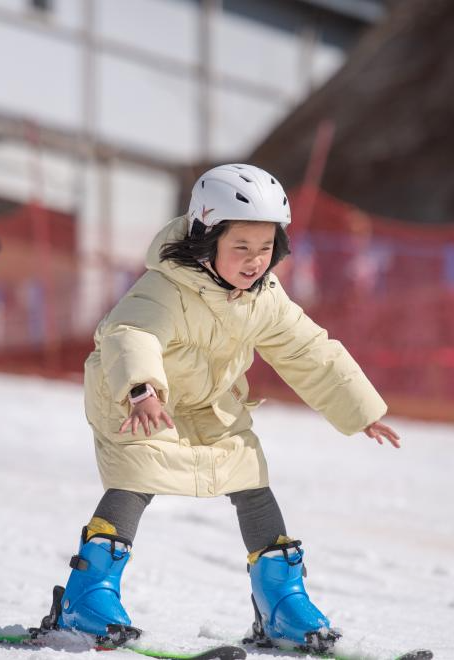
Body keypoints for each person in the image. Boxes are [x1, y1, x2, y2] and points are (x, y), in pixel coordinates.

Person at [37, 164, 400, 651]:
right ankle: (88, 595)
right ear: (206, 240)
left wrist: (360, 408)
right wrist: (142, 388)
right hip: (138, 400)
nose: (255, 261)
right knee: (137, 476)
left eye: (266, 248)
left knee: (251, 479)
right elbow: (129, 334)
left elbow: (308, 349)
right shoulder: (165, 289)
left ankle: (281, 602)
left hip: (209, 405)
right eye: (241, 248)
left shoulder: (263, 298)